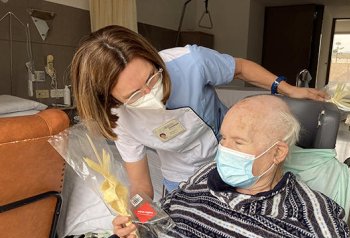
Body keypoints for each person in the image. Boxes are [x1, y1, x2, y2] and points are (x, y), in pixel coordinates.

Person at [95, 95, 350, 238]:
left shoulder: (309, 211)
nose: (224, 150)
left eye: (238, 142)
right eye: (223, 138)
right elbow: (160, 218)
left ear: (277, 153)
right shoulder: (205, 176)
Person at [71, 25, 327, 200]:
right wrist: (136, 215)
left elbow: (239, 69)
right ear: (110, 99)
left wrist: (287, 89)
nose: (152, 93)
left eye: (152, 77)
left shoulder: (190, 63)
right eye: (135, 95)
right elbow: (141, 187)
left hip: (233, 160)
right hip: (180, 179)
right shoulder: (118, 120)